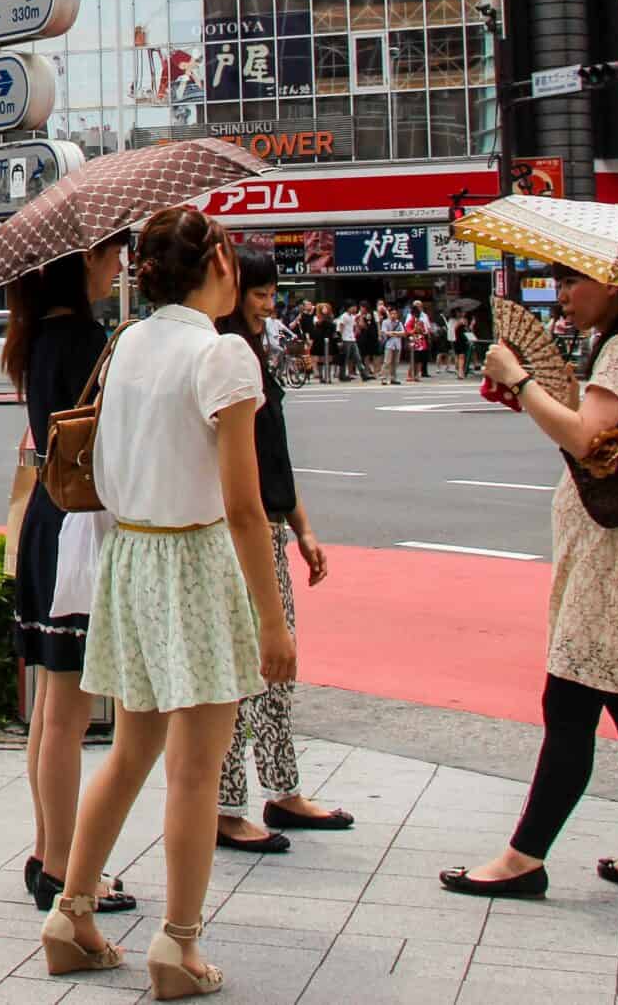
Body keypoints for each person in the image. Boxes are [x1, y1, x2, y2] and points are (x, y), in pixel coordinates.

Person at [40, 207, 292, 994]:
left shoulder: (125, 345)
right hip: (193, 558)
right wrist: (273, 619)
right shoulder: (223, 358)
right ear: (219, 262)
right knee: (194, 766)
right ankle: (178, 944)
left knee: (132, 749)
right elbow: (245, 508)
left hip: (132, 556)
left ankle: (71, 913)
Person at [445, 266, 618, 900]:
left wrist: (521, 380)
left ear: (614, 287)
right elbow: (604, 439)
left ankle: (522, 859)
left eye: (573, 284)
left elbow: (587, 440)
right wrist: (534, 397)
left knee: (571, 702)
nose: (562, 296)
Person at [2, 239, 134, 919]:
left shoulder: (34, 338)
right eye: (111, 255)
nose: (117, 265)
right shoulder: (86, 337)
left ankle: (46, 851)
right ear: (81, 264)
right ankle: (61, 869)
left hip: (44, 523)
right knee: (68, 715)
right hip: (78, 528)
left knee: (49, 712)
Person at [213, 248, 351, 855]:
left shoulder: (255, 355)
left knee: (274, 669)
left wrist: (302, 526)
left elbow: (275, 453)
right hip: (233, 531)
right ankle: (225, 805)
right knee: (244, 669)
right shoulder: (223, 356)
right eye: (260, 294)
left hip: (264, 523)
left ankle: (281, 788)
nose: (270, 304)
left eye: (273, 294)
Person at [335, 305, 361, 382]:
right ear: (349, 308)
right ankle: (342, 375)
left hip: (352, 339)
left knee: (357, 357)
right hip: (345, 339)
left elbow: (355, 327)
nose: (355, 309)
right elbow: (340, 327)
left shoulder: (353, 317)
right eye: (353, 307)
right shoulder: (344, 316)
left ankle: (363, 374)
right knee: (345, 358)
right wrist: (340, 340)